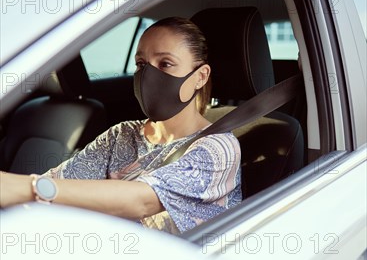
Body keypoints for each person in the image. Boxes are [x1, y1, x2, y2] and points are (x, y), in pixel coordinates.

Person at [0, 17, 242, 234]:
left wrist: (29, 187)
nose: (148, 76)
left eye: (166, 64)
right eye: (141, 64)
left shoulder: (219, 148)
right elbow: (62, 182)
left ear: (200, 76)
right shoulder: (122, 134)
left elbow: (143, 200)